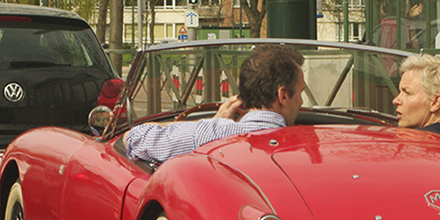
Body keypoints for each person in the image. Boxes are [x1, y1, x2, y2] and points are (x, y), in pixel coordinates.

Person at [125, 44, 305, 163]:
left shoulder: (213, 133)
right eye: (300, 93)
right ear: (283, 96)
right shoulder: (311, 143)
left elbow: (134, 137)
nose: (301, 101)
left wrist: (214, 120)